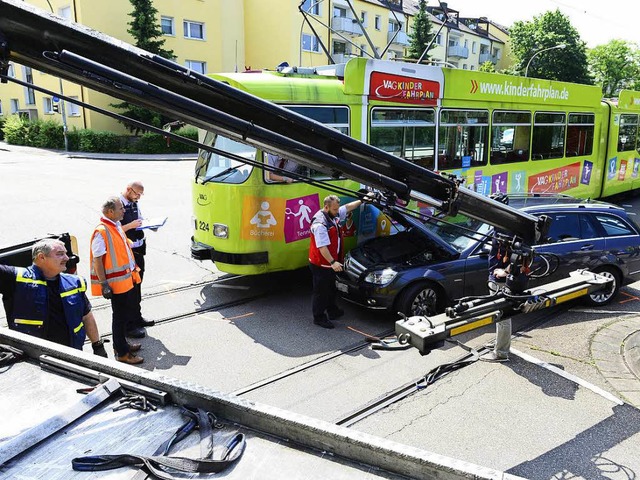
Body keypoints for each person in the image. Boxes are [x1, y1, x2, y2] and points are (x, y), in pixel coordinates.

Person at [0, 238, 108, 357]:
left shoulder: (74, 283)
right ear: (41, 257)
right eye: (60, 254)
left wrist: (97, 345)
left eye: (66, 254)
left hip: (72, 354)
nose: (67, 258)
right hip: (32, 359)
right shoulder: (16, 279)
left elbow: (86, 316)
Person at [90, 196, 143, 365]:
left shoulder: (115, 225)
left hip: (125, 280)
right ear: (110, 212)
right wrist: (104, 284)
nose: (124, 210)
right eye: (121, 208)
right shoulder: (102, 231)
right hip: (115, 283)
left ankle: (121, 345)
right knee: (119, 317)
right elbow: (97, 260)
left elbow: (120, 246)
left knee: (123, 315)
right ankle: (122, 353)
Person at [308, 194, 368, 329]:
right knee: (321, 291)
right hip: (321, 264)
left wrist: (363, 200)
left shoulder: (332, 213)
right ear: (326, 207)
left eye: (337, 209)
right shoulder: (320, 224)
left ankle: (332, 310)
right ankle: (319, 317)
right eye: (335, 209)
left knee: (331, 288)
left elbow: (347, 207)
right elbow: (322, 247)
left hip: (329, 262)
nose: (337, 212)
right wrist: (333, 262)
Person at [120, 180, 155, 338]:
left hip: (139, 248)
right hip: (127, 251)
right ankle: (129, 325)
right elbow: (112, 229)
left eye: (141, 195)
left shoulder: (134, 203)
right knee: (130, 288)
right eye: (136, 194)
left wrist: (149, 224)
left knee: (138, 284)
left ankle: (137, 317)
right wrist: (130, 225)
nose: (138, 197)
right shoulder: (117, 204)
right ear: (129, 189)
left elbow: (139, 219)